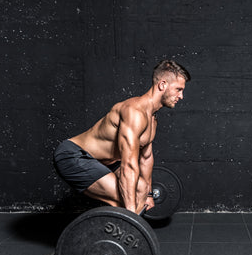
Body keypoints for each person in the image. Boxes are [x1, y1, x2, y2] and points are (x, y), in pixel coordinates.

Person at [53, 59, 191, 214]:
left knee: (140, 191)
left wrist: (149, 194)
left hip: (104, 162)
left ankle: (121, 231)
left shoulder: (152, 119)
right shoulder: (134, 112)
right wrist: (131, 215)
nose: (181, 96)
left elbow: (146, 159)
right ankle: (115, 232)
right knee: (125, 199)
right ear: (163, 85)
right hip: (74, 156)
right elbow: (129, 165)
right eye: (178, 89)